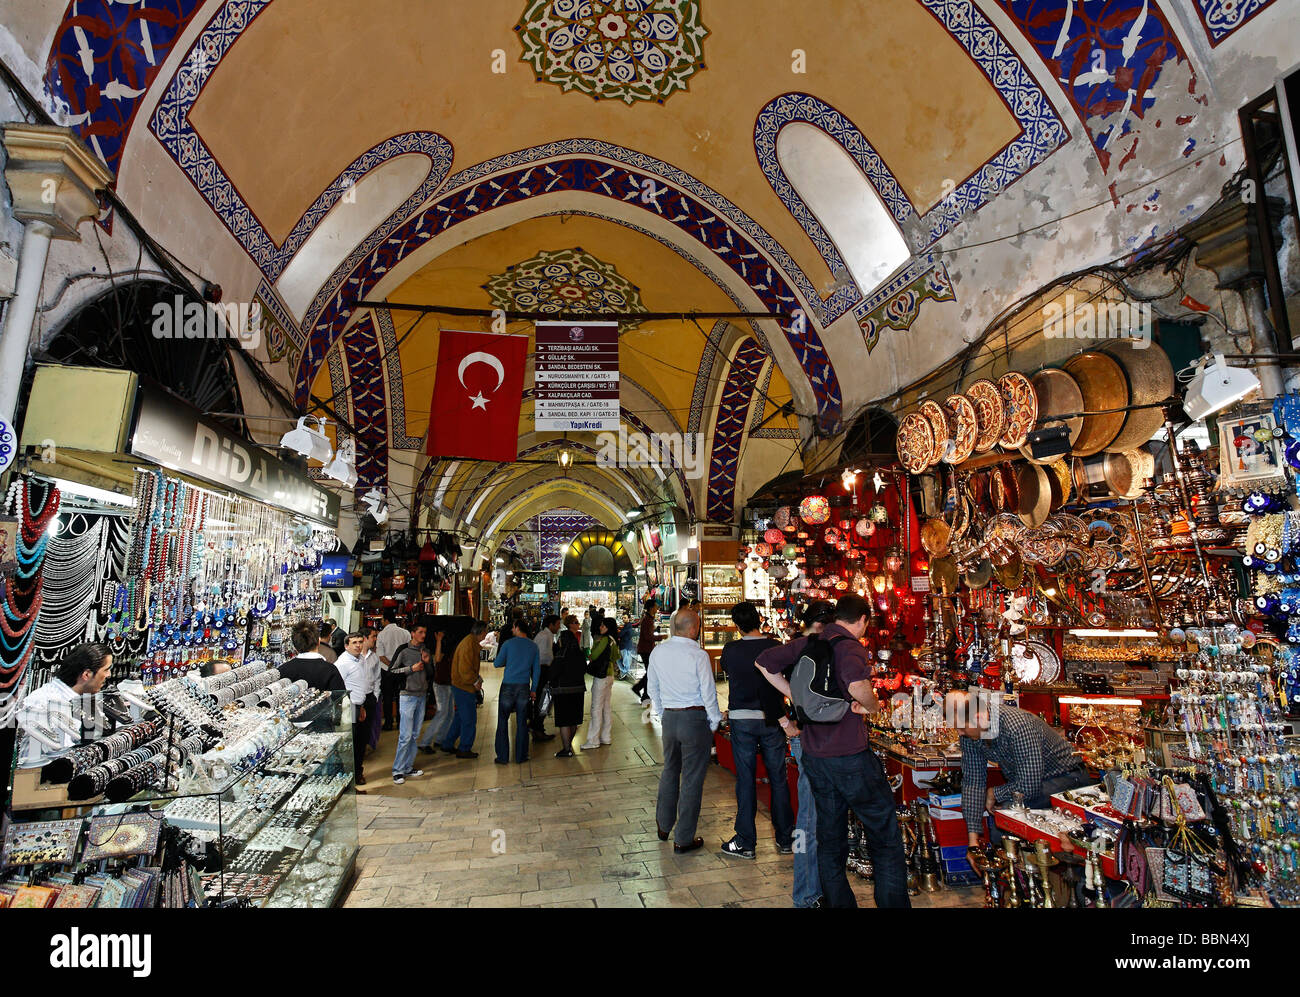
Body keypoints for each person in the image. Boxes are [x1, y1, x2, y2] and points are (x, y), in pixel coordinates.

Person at [757, 595, 910, 909]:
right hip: (850, 755)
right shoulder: (850, 647)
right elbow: (857, 687)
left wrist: (798, 697)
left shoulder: (810, 642)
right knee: (885, 838)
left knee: (830, 839)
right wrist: (872, 705)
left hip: (815, 757)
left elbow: (764, 662)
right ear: (863, 619)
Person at [947, 689, 1093, 860]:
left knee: (1007, 816)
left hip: (1066, 778)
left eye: (962, 728)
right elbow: (973, 781)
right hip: (1032, 782)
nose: (960, 734)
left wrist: (994, 793)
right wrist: (973, 842)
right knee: (1002, 820)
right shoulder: (972, 734)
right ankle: (1012, 876)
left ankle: (1025, 873)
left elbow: (1028, 786)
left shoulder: (1017, 726)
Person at [719, 601, 794, 860]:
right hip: (772, 718)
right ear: (760, 619)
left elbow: (728, 672)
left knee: (746, 779)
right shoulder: (775, 646)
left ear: (737, 625)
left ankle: (746, 841)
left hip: (742, 719)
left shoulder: (731, 650)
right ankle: (786, 838)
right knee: (778, 778)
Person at [648, 610, 721, 854]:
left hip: (670, 718)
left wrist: (661, 712)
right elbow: (708, 692)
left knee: (670, 770)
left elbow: (652, 687)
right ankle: (684, 837)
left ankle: (663, 825)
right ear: (692, 629)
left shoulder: (659, 651)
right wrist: (714, 721)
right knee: (692, 778)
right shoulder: (698, 654)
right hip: (694, 718)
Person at [779, 600, 834, 908]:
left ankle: (819, 888)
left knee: (818, 819)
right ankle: (806, 894)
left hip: (822, 740)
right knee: (809, 820)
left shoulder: (810, 649)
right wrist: (785, 721)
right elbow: (764, 674)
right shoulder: (799, 650)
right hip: (809, 740)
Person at [17, 642, 113, 767]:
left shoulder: (85, 700)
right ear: (86, 675)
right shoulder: (42, 702)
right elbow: (28, 761)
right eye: (106, 670)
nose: (109, 675)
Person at [493, 619, 541, 765]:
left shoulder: (508, 644)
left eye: (513, 627)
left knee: (502, 721)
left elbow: (496, 663)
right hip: (524, 687)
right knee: (522, 722)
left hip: (508, 686)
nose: (511, 630)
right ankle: (521, 756)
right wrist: (534, 690)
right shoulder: (533, 646)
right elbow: (537, 670)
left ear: (516, 627)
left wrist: (509, 660)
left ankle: (502, 757)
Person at [388, 622, 430, 784]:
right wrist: (411, 669)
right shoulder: (403, 650)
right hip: (407, 695)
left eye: (424, 632)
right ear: (412, 633)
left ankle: (407, 766)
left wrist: (426, 663)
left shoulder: (425, 650)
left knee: (414, 734)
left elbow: (430, 673)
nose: (423, 635)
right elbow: (392, 671)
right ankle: (397, 770)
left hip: (421, 695)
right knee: (405, 735)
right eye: (420, 632)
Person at [440, 621, 486, 759]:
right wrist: (475, 680)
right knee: (469, 719)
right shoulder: (468, 645)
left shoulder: (470, 642)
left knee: (460, 717)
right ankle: (464, 748)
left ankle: (447, 743)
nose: (485, 635)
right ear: (481, 632)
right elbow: (465, 670)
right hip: (464, 687)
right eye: (485, 632)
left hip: (461, 685)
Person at [334, 632, 370, 788]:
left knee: (360, 743)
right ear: (346, 645)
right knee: (351, 744)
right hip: (349, 707)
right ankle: (349, 777)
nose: (358, 645)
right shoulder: (342, 663)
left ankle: (357, 773)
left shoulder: (360, 659)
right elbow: (338, 687)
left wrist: (362, 706)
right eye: (354, 642)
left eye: (360, 642)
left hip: (359, 705)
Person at [549, 615, 587, 757]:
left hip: (563, 690)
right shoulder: (579, 653)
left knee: (564, 720)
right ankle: (569, 745)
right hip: (578, 689)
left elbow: (553, 673)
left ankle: (566, 749)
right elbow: (584, 670)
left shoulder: (560, 654)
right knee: (574, 719)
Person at [581, 616, 619, 750]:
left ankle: (593, 740)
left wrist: (593, 650)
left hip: (601, 677)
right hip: (609, 675)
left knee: (596, 708)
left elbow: (594, 655)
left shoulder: (603, 639)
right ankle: (606, 737)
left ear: (608, 628)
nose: (600, 627)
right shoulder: (613, 640)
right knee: (606, 707)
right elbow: (616, 657)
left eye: (603, 626)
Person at [280, 621, 347, 694]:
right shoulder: (330, 670)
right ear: (319, 641)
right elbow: (339, 698)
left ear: (294, 646)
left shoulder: (283, 669)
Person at [376, 609, 411, 731]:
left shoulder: (381, 635)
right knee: (401, 696)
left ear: (386, 620)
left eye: (382, 620)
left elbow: (380, 655)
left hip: (387, 671)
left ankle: (389, 723)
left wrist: (391, 665)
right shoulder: (406, 633)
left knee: (387, 697)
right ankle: (401, 722)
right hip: (402, 669)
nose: (381, 622)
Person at [416, 629, 449, 755]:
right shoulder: (432, 648)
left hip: (446, 682)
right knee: (442, 712)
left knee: (448, 712)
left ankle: (439, 739)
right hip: (441, 682)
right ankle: (425, 742)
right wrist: (439, 641)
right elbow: (437, 659)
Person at [530, 615, 561, 743]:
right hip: (542, 671)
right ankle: (537, 727)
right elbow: (542, 657)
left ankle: (537, 727)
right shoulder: (544, 636)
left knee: (544, 700)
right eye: (558, 624)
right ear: (551, 624)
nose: (559, 627)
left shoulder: (547, 635)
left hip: (543, 671)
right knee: (544, 700)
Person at [631, 598, 658, 705]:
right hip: (646, 649)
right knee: (650, 673)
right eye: (656, 606)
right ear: (651, 608)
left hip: (646, 649)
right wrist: (660, 637)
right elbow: (647, 636)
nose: (657, 608)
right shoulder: (647, 619)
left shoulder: (648, 618)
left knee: (650, 672)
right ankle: (643, 694)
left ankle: (641, 692)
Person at [360, 627, 383, 752]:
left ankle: (364, 748)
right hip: (356, 699)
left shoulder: (374, 657)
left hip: (370, 697)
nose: (375, 639)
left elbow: (377, 678)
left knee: (368, 726)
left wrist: (375, 695)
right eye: (373, 636)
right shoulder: (353, 657)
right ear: (365, 638)